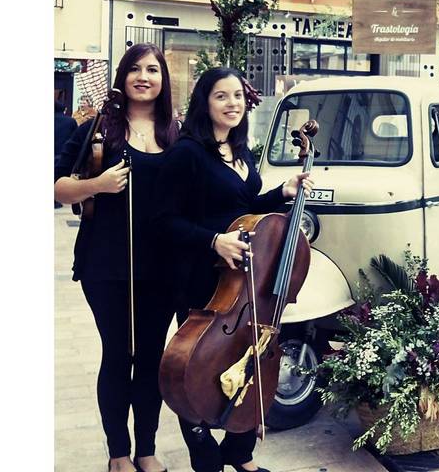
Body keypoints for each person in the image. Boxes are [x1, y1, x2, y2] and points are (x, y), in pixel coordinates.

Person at [155, 67, 313, 472]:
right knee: (194, 367)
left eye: (238, 96)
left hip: (246, 284)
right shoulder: (186, 153)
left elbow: (243, 209)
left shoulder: (240, 152)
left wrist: (282, 193)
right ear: (204, 102)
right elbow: (164, 221)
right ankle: (204, 454)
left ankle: (240, 455)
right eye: (222, 96)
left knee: (253, 357)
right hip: (203, 280)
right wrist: (213, 240)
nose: (233, 104)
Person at [54, 44, 179, 472]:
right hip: (106, 264)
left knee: (151, 357)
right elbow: (58, 186)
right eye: (135, 69)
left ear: (163, 80)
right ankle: (118, 454)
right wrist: (99, 184)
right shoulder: (98, 129)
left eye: (153, 69)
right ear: (123, 77)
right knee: (117, 353)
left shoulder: (175, 133)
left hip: (162, 267)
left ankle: (146, 449)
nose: (144, 77)